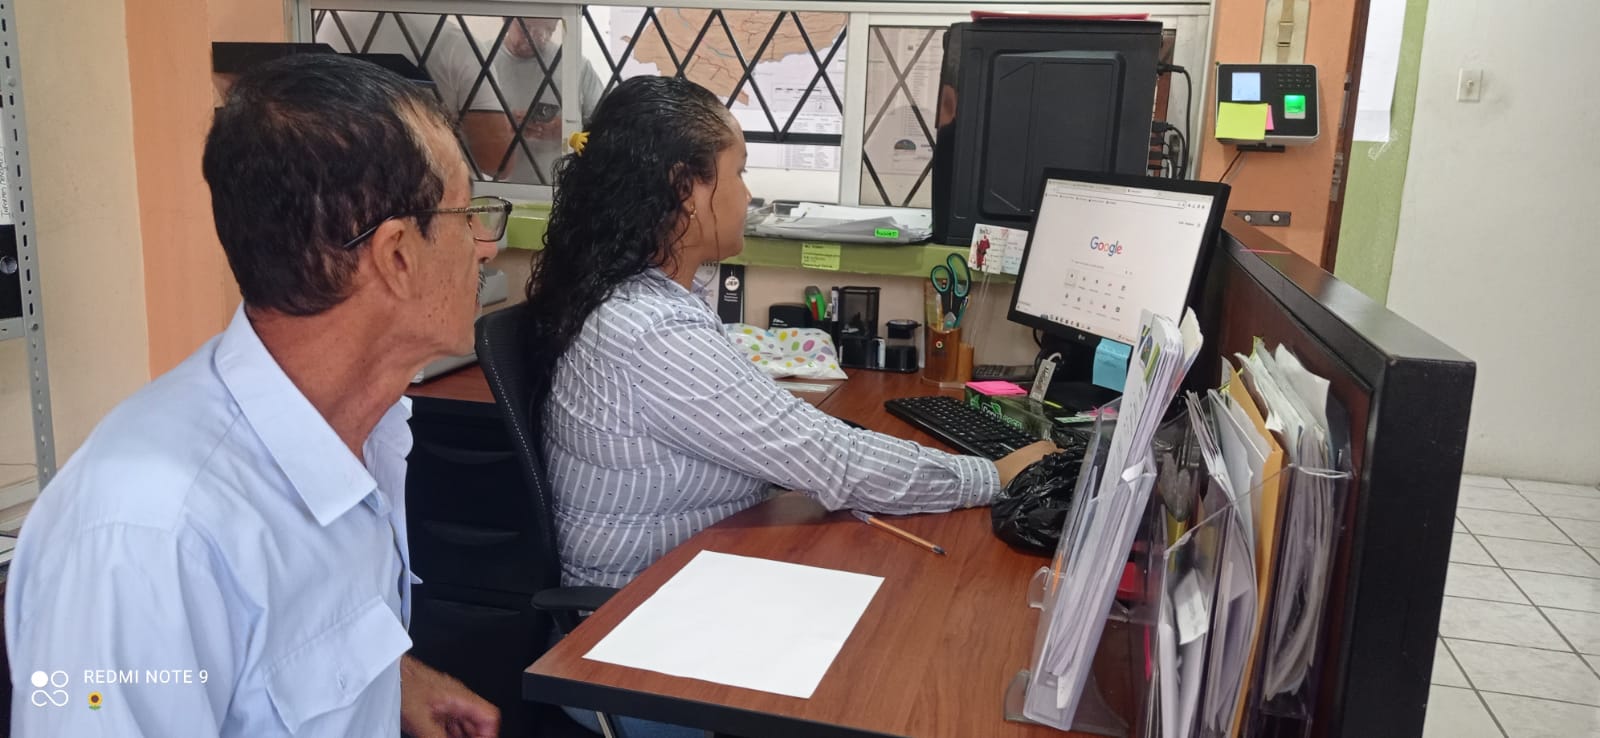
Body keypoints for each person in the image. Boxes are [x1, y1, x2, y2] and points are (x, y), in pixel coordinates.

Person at [6, 54, 504, 737]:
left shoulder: (366, 429)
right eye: (468, 215)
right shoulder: (147, 538)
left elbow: (282, 632)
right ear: (396, 255)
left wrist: (388, 681)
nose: (484, 246)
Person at [522, 75, 1056, 593]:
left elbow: (799, 442)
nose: (748, 194)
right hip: (637, 609)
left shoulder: (630, 295)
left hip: (682, 577)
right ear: (686, 189)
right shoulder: (654, 332)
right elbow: (832, 461)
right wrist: (994, 475)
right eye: (739, 172)